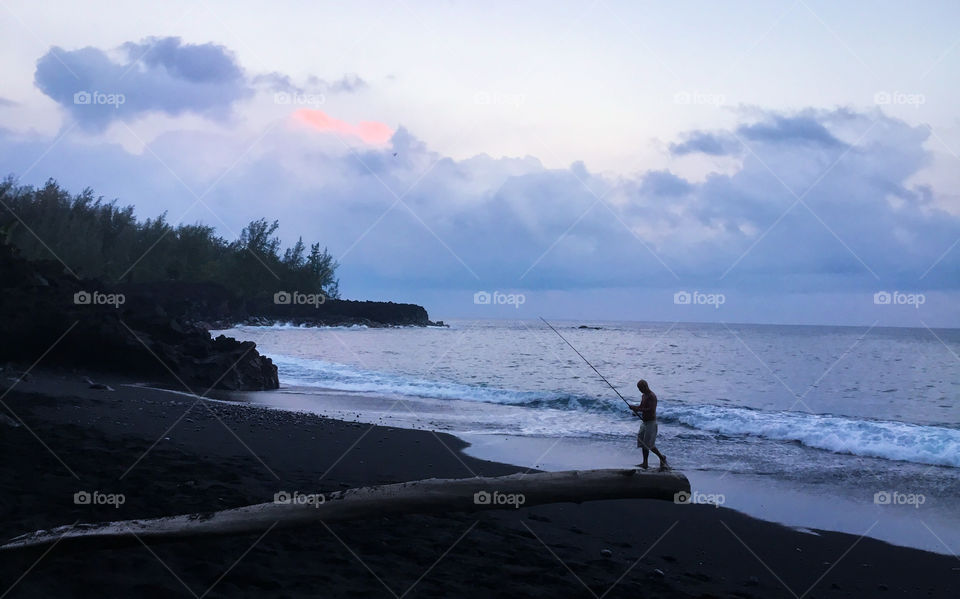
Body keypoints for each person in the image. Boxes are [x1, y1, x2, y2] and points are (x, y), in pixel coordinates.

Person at [630, 379, 668, 470]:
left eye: (640, 388)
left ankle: (662, 457)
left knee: (649, 444)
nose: (640, 390)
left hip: (651, 422)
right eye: (638, 389)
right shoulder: (643, 396)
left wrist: (638, 409)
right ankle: (645, 463)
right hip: (644, 422)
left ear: (645, 386)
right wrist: (635, 409)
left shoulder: (652, 396)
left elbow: (651, 409)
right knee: (643, 442)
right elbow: (641, 407)